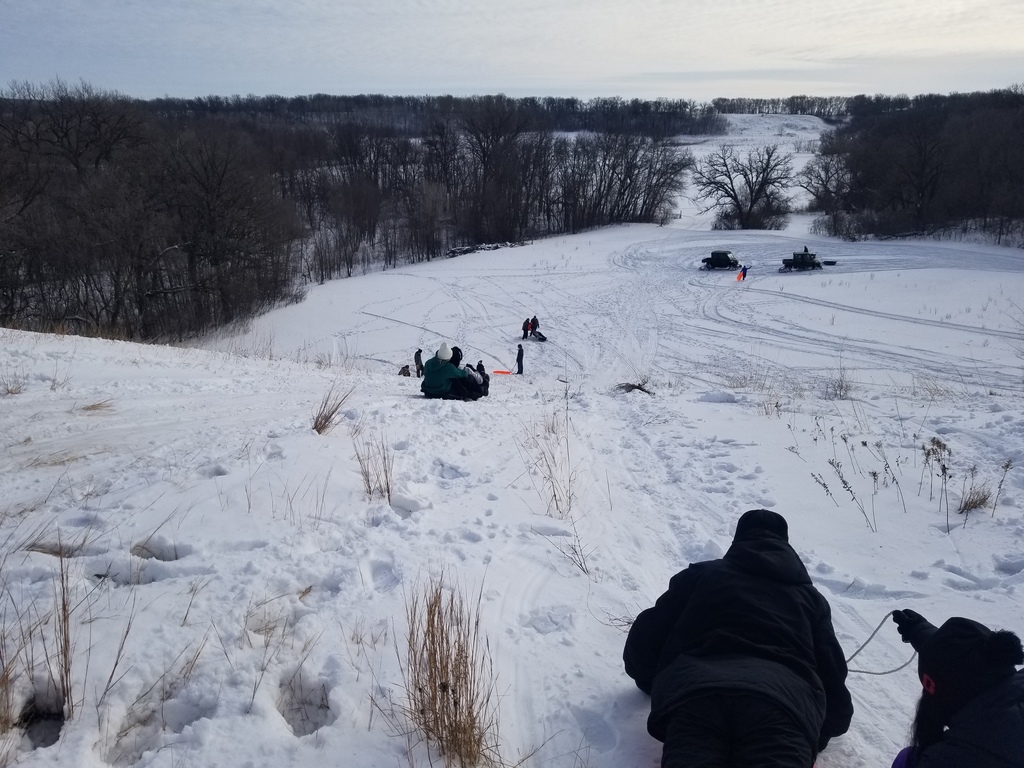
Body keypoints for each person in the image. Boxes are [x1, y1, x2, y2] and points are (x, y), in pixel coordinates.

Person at [623, 509, 853, 768]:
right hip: (782, 706)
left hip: (697, 697)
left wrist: (652, 682)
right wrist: (814, 729)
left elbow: (645, 638)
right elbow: (833, 677)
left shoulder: (700, 576)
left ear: (737, 542)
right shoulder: (811, 600)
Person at [889, 610, 1024, 768]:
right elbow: (962, 658)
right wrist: (918, 630)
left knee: (906, 760)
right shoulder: (995, 676)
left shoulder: (951, 758)